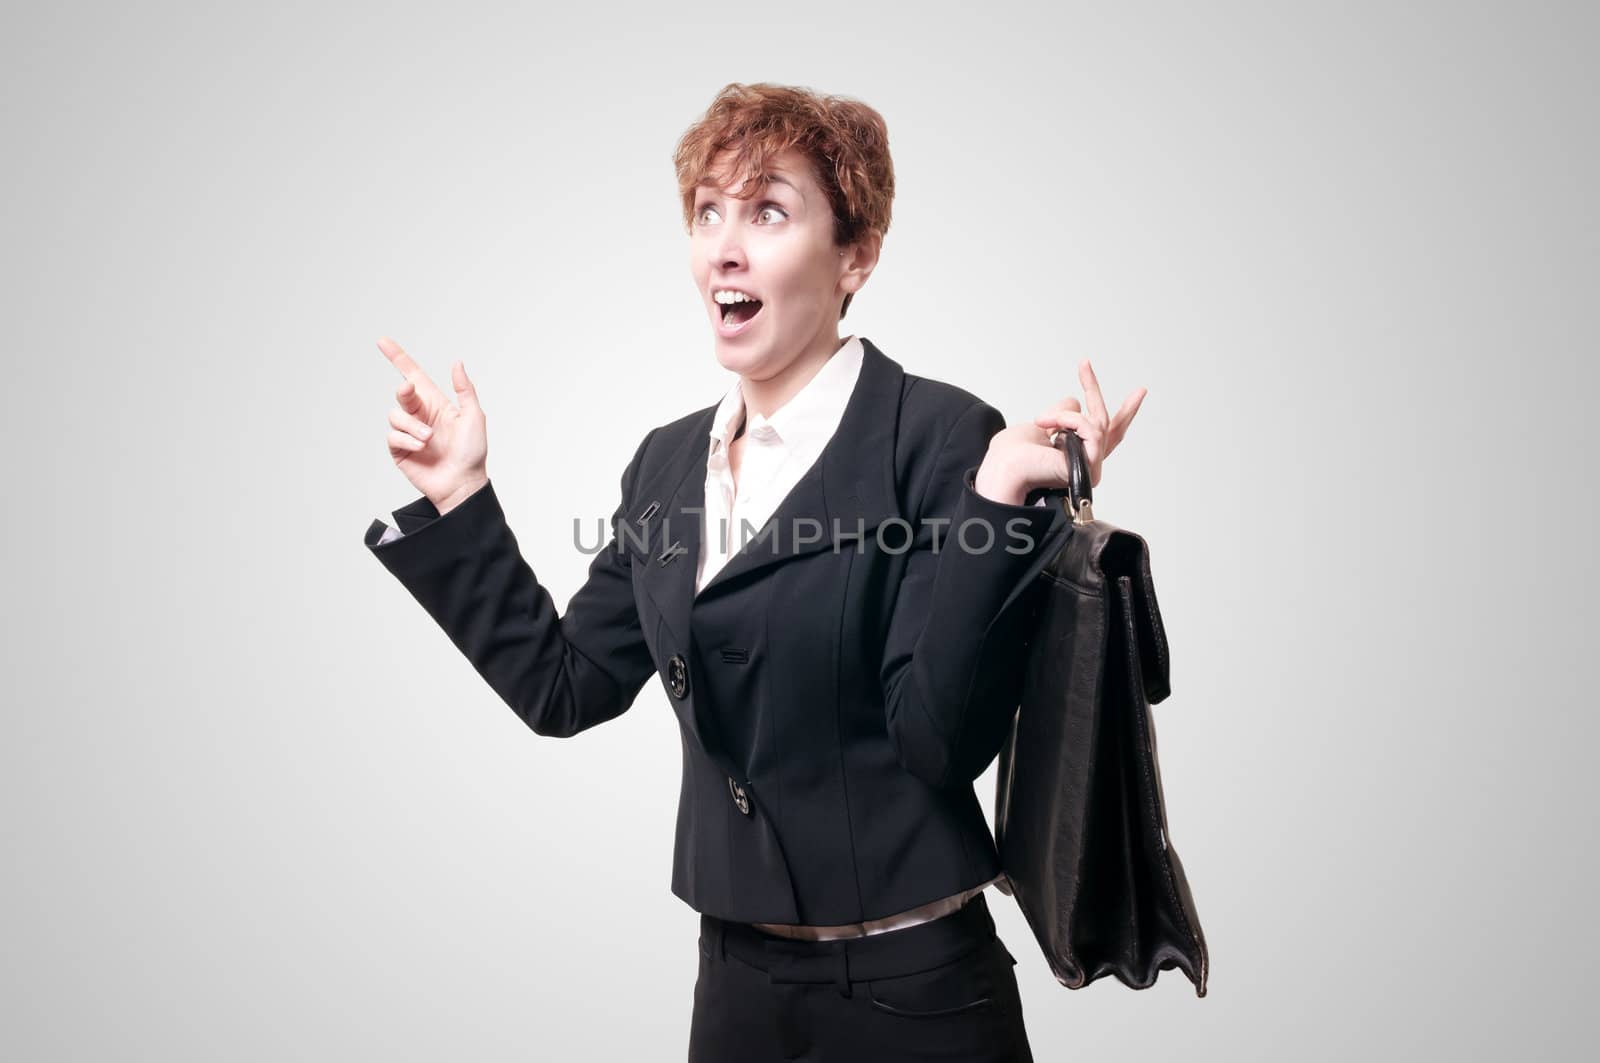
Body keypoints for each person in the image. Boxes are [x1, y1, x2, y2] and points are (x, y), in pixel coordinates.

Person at [364, 81, 1145, 1063]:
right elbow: (566, 686)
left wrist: (995, 496)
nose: (723, 247)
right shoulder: (662, 461)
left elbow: (940, 741)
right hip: (735, 992)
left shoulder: (942, 437)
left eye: (768, 211)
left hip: (916, 997)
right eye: (707, 213)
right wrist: (461, 498)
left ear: (854, 255)